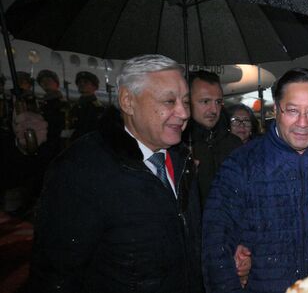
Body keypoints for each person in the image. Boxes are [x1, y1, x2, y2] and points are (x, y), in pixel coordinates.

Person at [28, 54, 204, 292]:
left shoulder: (182, 160)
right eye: (169, 102)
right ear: (128, 101)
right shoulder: (81, 169)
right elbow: (55, 273)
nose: (184, 113)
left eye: (185, 101)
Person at [202, 68, 308, 293]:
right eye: (292, 111)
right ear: (277, 110)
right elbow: (215, 244)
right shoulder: (242, 164)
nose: (302, 123)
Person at [189, 70, 242, 205]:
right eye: (205, 101)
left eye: (218, 102)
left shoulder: (234, 144)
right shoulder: (178, 147)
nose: (213, 110)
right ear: (187, 101)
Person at [69, 70, 105, 141]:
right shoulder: (75, 107)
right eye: (79, 82)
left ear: (94, 87)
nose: (81, 84)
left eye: (86, 82)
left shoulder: (98, 108)